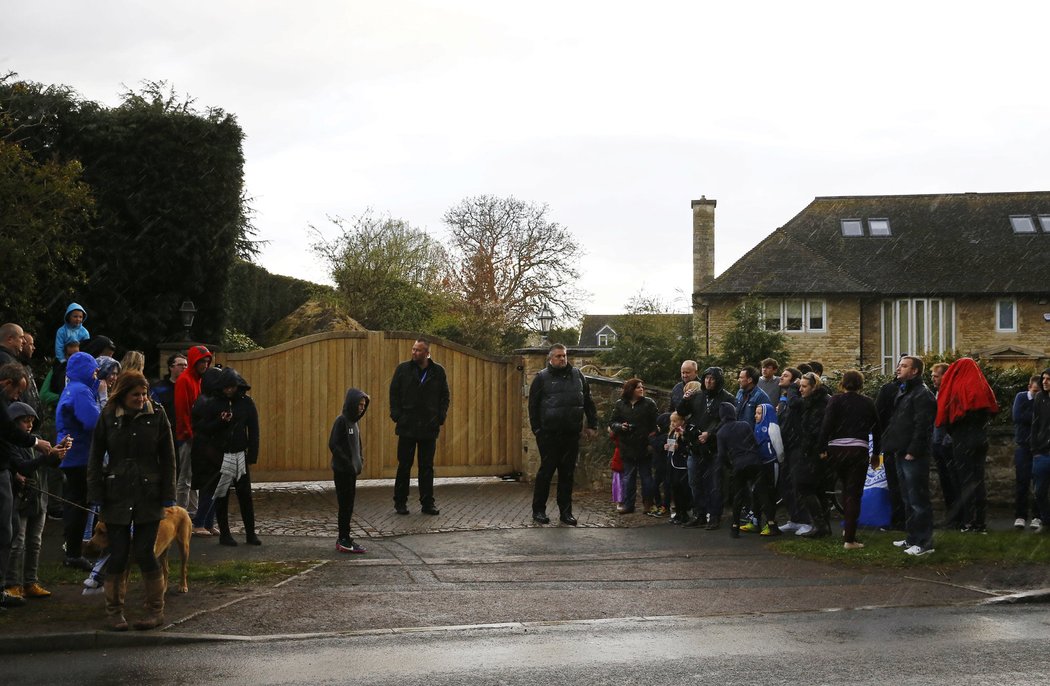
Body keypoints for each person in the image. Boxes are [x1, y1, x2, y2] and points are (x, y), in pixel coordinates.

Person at [87, 371, 176, 631]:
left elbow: (169, 458)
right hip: (116, 492)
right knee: (118, 554)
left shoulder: (157, 414)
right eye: (135, 394)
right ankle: (114, 613)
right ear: (124, 394)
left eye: (144, 394)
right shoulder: (108, 416)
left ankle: (155, 611)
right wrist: (96, 495)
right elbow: (95, 458)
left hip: (150, 493)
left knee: (146, 553)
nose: (141, 398)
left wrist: (169, 495)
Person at [1, 364, 63, 610]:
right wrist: (39, 445)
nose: (17, 397)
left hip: (34, 496)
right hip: (20, 495)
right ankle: (10, 583)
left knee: (25, 537)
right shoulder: (10, 429)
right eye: (17, 392)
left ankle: (27, 581)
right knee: (12, 534)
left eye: (31, 422)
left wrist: (52, 455)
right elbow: (21, 462)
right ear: (7, 383)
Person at [528, 343, 598, 525]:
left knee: (567, 474)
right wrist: (537, 430)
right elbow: (533, 407)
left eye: (564, 356)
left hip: (571, 434)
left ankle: (566, 513)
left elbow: (588, 402)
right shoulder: (541, 378)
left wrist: (592, 424)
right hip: (549, 435)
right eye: (558, 356)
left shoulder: (578, 375)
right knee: (546, 473)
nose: (562, 359)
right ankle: (539, 511)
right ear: (550, 358)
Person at [936, 358, 998, 534]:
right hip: (980, 437)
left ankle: (968, 521)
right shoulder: (982, 387)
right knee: (979, 480)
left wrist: (954, 431)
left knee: (965, 480)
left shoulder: (956, 387)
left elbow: (946, 414)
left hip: (962, 438)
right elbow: (991, 409)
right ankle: (980, 522)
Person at [882, 356, 937, 556]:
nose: (898, 368)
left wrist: (914, 450)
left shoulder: (922, 394)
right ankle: (912, 537)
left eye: (904, 366)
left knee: (918, 499)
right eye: (899, 365)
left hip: (912, 454)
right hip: (901, 450)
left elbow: (923, 426)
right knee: (907, 498)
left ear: (915, 371)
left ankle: (924, 543)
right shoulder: (905, 391)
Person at [389, 338, 450, 516]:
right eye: (413, 349)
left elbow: (445, 396)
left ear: (427, 353)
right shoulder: (403, 370)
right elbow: (394, 393)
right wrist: (397, 415)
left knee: (426, 467)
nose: (414, 352)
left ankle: (427, 503)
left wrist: (440, 417)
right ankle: (400, 502)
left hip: (429, 428)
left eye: (418, 350)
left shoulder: (438, 372)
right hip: (407, 426)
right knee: (404, 466)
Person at [820, 370, 880, 549]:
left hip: (836, 449)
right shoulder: (868, 402)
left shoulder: (835, 400)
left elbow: (826, 424)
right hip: (858, 450)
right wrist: (876, 453)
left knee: (842, 489)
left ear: (842, 383)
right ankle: (849, 537)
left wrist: (822, 447)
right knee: (853, 493)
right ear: (861, 385)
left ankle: (845, 528)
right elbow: (877, 429)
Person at [55, 351, 101, 571]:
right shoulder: (81, 391)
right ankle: (73, 553)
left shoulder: (72, 388)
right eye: (93, 368)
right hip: (80, 454)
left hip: (72, 454)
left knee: (77, 502)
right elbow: (93, 421)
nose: (96, 373)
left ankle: (71, 551)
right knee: (79, 504)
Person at [211, 367, 261, 547]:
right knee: (222, 495)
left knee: (245, 495)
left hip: (240, 453)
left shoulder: (247, 403)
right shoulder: (216, 403)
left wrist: (252, 455)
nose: (229, 390)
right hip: (222, 455)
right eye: (226, 388)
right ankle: (225, 534)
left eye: (231, 387)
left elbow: (254, 430)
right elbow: (208, 428)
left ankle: (250, 533)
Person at [718, 402, 774, 538]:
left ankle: (735, 527)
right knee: (762, 493)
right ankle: (771, 524)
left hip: (738, 464)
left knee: (738, 495)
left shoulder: (721, 433)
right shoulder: (744, 425)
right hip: (754, 461)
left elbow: (721, 455)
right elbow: (753, 442)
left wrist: (731, 467)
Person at [609, 378, 659, 515]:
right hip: (627, 446)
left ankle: (648, 503)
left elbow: (656, 425)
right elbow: (613, 422)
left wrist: (651, 442)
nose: (641, 389)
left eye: (642, 387)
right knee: (628, 478)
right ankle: (628, 504)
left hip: (644, 446)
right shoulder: (621, 404)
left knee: (646, 477)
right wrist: (621, 426)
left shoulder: (649, 404)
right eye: (638, 387)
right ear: (631, 389)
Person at [330, 388, 370, 553]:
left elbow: (357, 445)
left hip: (352, 472)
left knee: (349, 505)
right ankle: (343, 538)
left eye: (363, 405)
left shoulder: (355, 423)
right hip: (342, 471)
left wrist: (360, 459)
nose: (361, 408)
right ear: (352, 404)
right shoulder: (341, 421)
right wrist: (347, 463)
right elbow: (333, 444)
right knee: (344, 505)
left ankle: (346, 536)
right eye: (359, 404)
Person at [174, 345, 212, 515]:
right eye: (202, 361)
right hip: (188, 436)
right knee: (185, 477)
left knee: (193, 476)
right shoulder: (185, 380)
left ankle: (193, 512)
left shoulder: (199, 380)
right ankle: (181, 513)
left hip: (197, 435)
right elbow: (182, 410)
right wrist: (188, 433)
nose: (205, 365)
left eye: (207, 361)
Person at [794, 372, 831, 538]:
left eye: (804, 386)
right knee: (818, 488)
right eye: (800, 386)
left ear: (814, 387)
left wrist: (813, 447)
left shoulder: (821, 404)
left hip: (816, 452)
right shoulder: (812, 402)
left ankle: (820, 524)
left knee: (805, 486)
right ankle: (823, 524)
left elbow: (818, 430)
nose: (800, 390)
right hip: (813, 450)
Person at [929, 362, 959, 529]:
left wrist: (945, 440)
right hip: (938, 443)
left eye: (936, 376)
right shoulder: (939, 392)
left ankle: (956, 518)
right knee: (946, 482)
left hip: (947, 445)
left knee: (953, 482)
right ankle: (952, 517)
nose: (933, 378)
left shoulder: (951, 393)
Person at [1012, 375, 1041, 529]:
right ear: (1029, 386)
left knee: (1039, 484)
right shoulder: (1021, 397)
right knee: (1022, 482)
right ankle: (1020, 516)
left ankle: (1037, 516)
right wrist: (1037, 418)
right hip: (1023, 446)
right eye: (1034, 391)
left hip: (1040, 448)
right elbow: (1017, 416)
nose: (1036, 395)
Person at [1030, 369, 1050, 532]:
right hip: (1042, 452)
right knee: (1039, 491)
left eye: (1048, 379)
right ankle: (1046, 520)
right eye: (1044, 379)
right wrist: (1034, 449)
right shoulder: (1039, 398)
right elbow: (1035, 425)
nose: (1044, 382)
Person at [151, 353, 187, 424]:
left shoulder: (190, 387)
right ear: (171, 367)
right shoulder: (159, 388)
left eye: (185, 365)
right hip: (166, 426)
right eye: (180, 365)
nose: (184, 367)